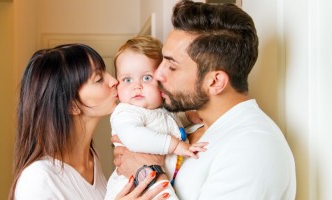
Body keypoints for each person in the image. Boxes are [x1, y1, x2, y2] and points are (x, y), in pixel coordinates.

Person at [113, 1, 296, 199]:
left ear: (215, 82)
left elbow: (147, 169)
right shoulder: (185, 126)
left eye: (172, 67)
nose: (157, 75)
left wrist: (147, 171)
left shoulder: (253, 148)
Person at [8, 44, 169, 200]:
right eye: (99, 79)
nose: (114, 81)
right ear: (72, 105)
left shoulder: (92, 159)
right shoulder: (38, 179)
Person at [105, 36, 208, 200]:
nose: (136, 86)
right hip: (134, 186)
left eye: (146, 78)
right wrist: (175, 146)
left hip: (154, 177)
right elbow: (134, 137)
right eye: (127, 79)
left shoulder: (162, 109)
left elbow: (170, 121)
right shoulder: (125, 112)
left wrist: (189, 116)